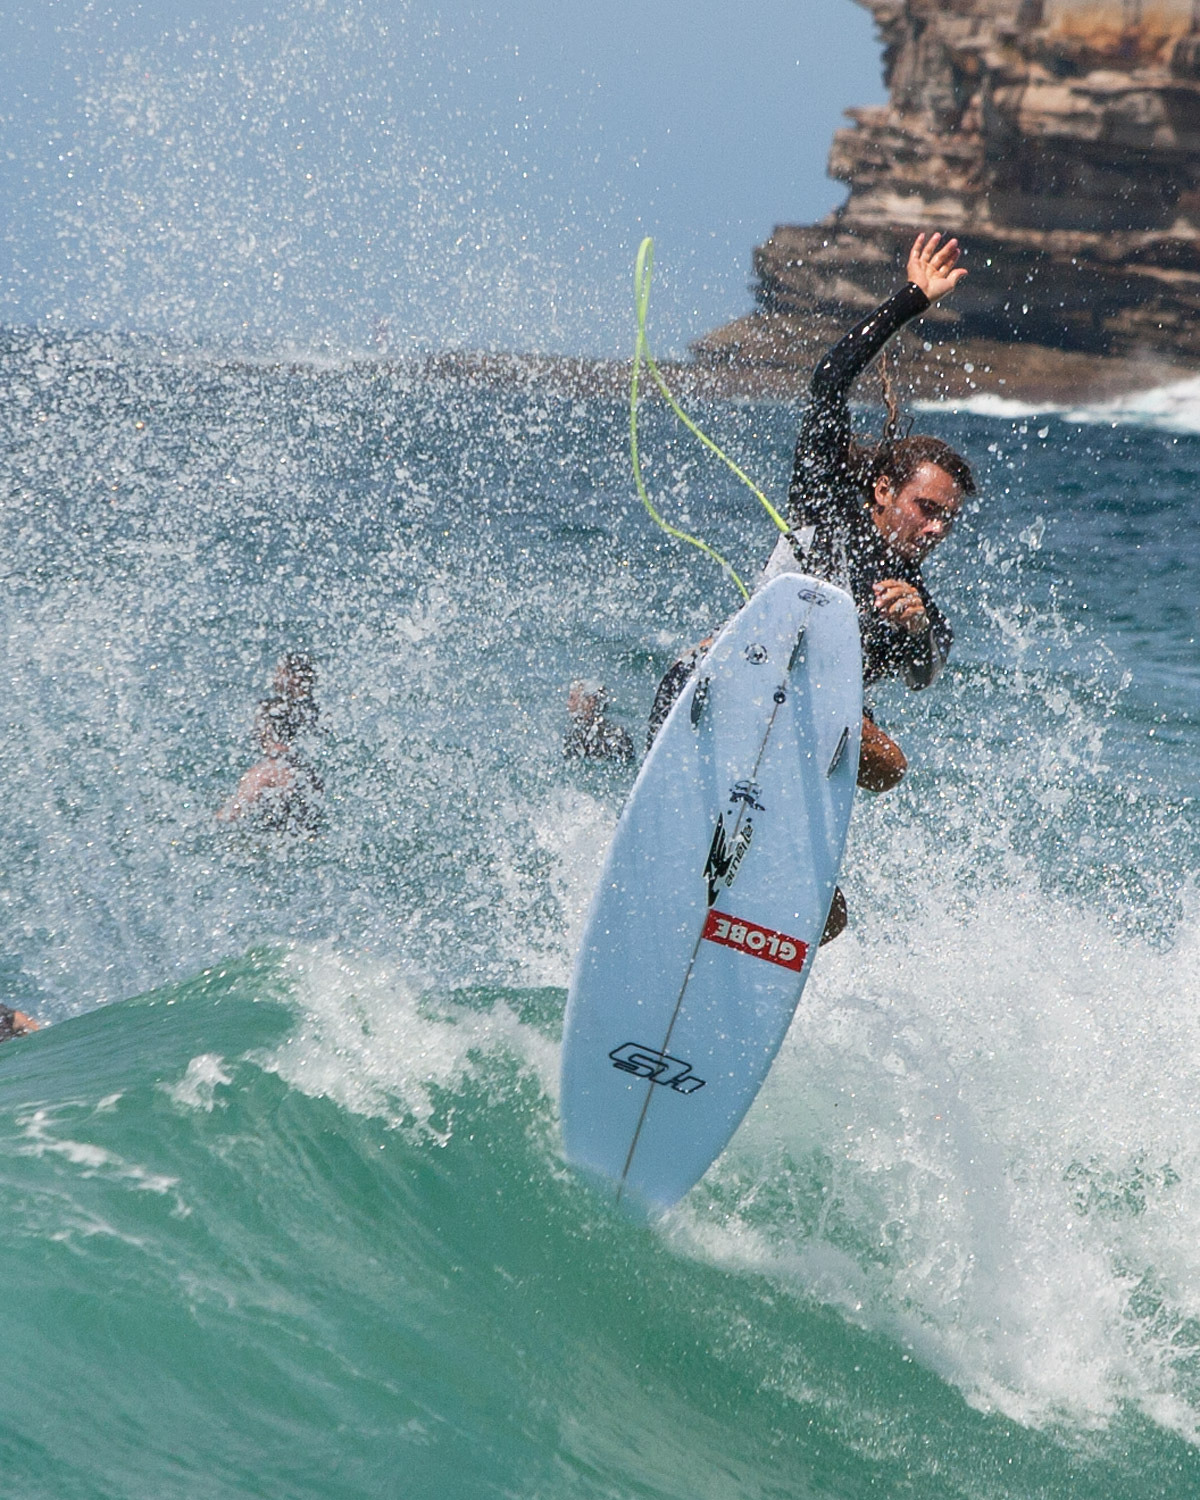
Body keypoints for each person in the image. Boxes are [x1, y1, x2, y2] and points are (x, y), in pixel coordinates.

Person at [650, 231, 975, 941]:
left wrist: (919, 629)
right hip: (712, 700)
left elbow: (926, 672)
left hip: (789, 755)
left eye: (948, 519)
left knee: (885, 772)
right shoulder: (824, 503)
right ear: (884, 490)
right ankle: (647, 790)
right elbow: (830, 380)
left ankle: (749, 901)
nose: (937, 529)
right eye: (927, 509)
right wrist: (911, 300)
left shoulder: (910, 602)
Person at [217, 693, 325, 835]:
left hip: (274, 842)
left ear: (265, 731)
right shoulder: (307, 769)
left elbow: (230, 815)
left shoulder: (263, 773)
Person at [563, 680, 635, 763]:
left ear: (590, 702)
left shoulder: (610, 735)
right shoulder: (616, 732)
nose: (568, 703)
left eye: (572, 698)